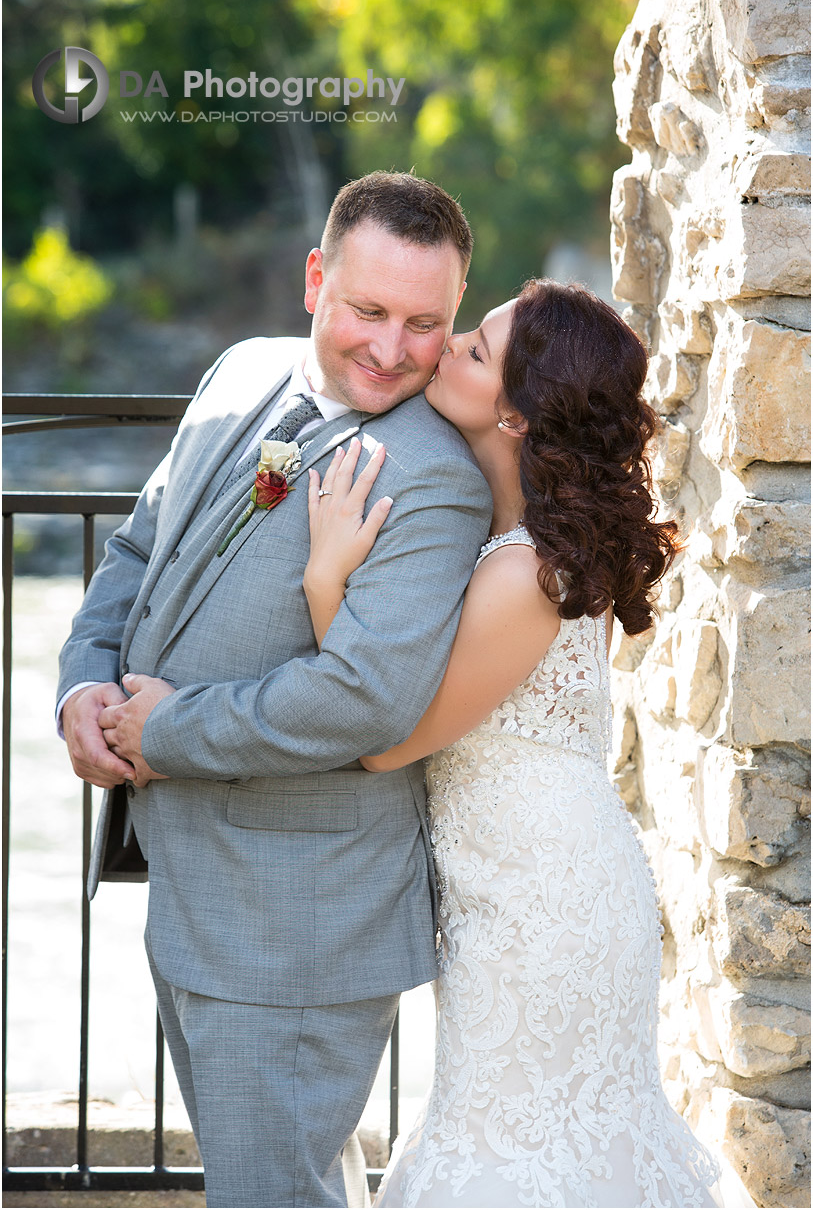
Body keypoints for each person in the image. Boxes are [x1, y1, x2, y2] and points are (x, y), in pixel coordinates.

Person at [56, 171, 493, 1209]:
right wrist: (83, 681)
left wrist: (161, 733)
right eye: (369, 310)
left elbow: (364, 697)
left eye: (426, 323)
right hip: (195, 887)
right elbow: (136, 547)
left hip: (300, 921)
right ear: (314, 280)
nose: (392, 349)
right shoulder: (239, 372)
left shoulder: (432, 472)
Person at [303, 280, 730, 1208]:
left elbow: (386, 742)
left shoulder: (531, 570)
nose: (448, 344)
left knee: (520, 1160)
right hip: (513, 891)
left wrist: (325, 578)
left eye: (475, 350)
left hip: (545, 912)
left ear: (516, 418)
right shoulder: (514, 541)